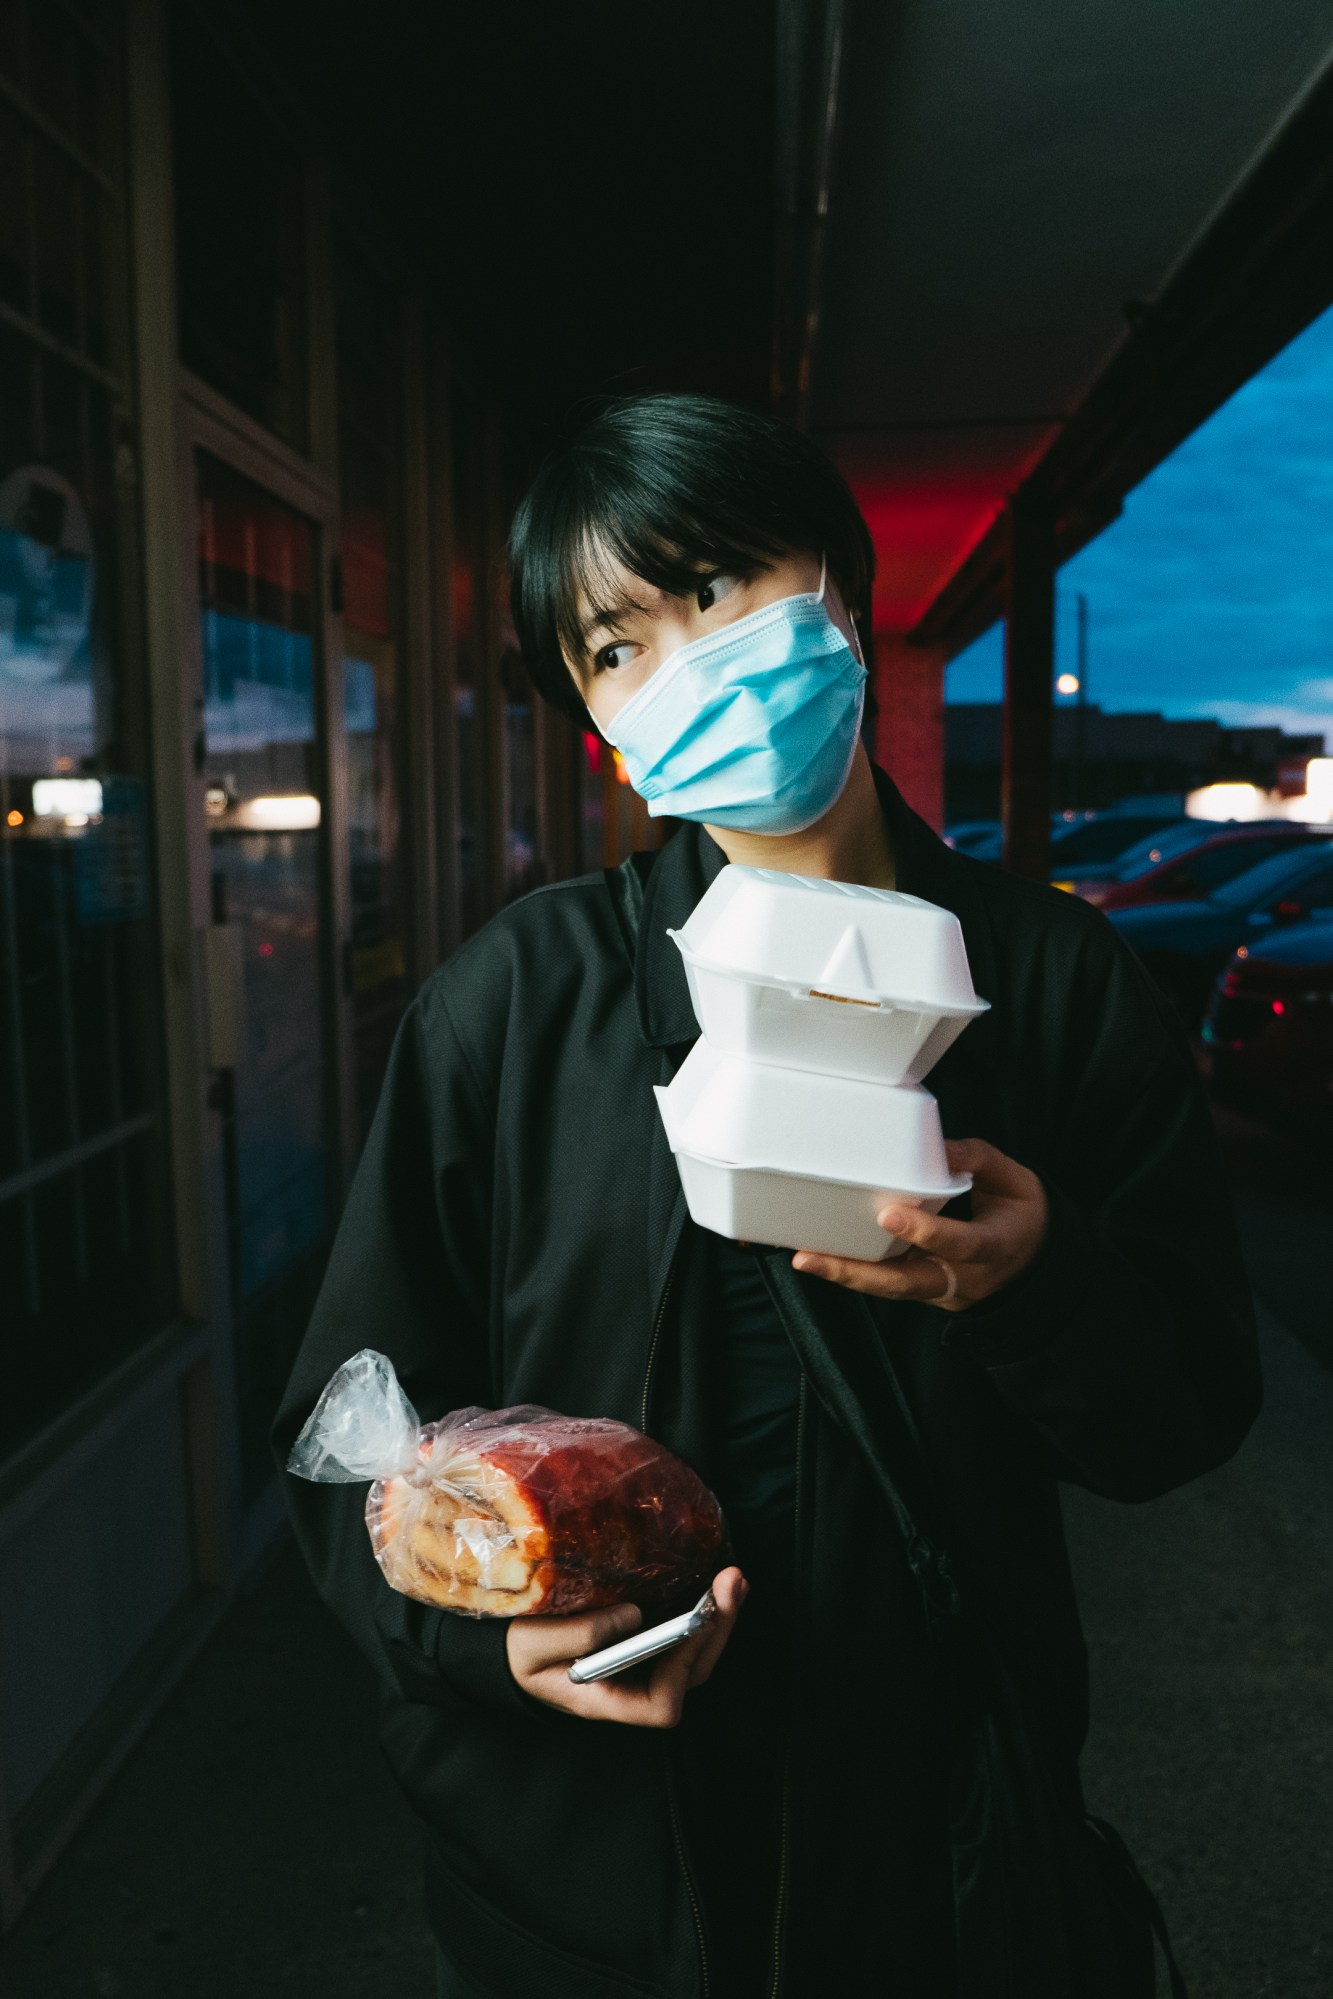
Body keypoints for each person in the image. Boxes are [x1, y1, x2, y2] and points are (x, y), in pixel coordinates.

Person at [274, 394, 1260, 1999]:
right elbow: (342, 1422)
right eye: (617, 645)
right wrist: (482, 1647)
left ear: (840, 589)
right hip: (580, 1871)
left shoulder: (1054, 983)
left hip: (938, 1852)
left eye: (721, 584)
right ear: (596, 719)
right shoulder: (517, 1002)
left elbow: (1182, 1418)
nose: (690, 661)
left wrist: (1039, 1276)